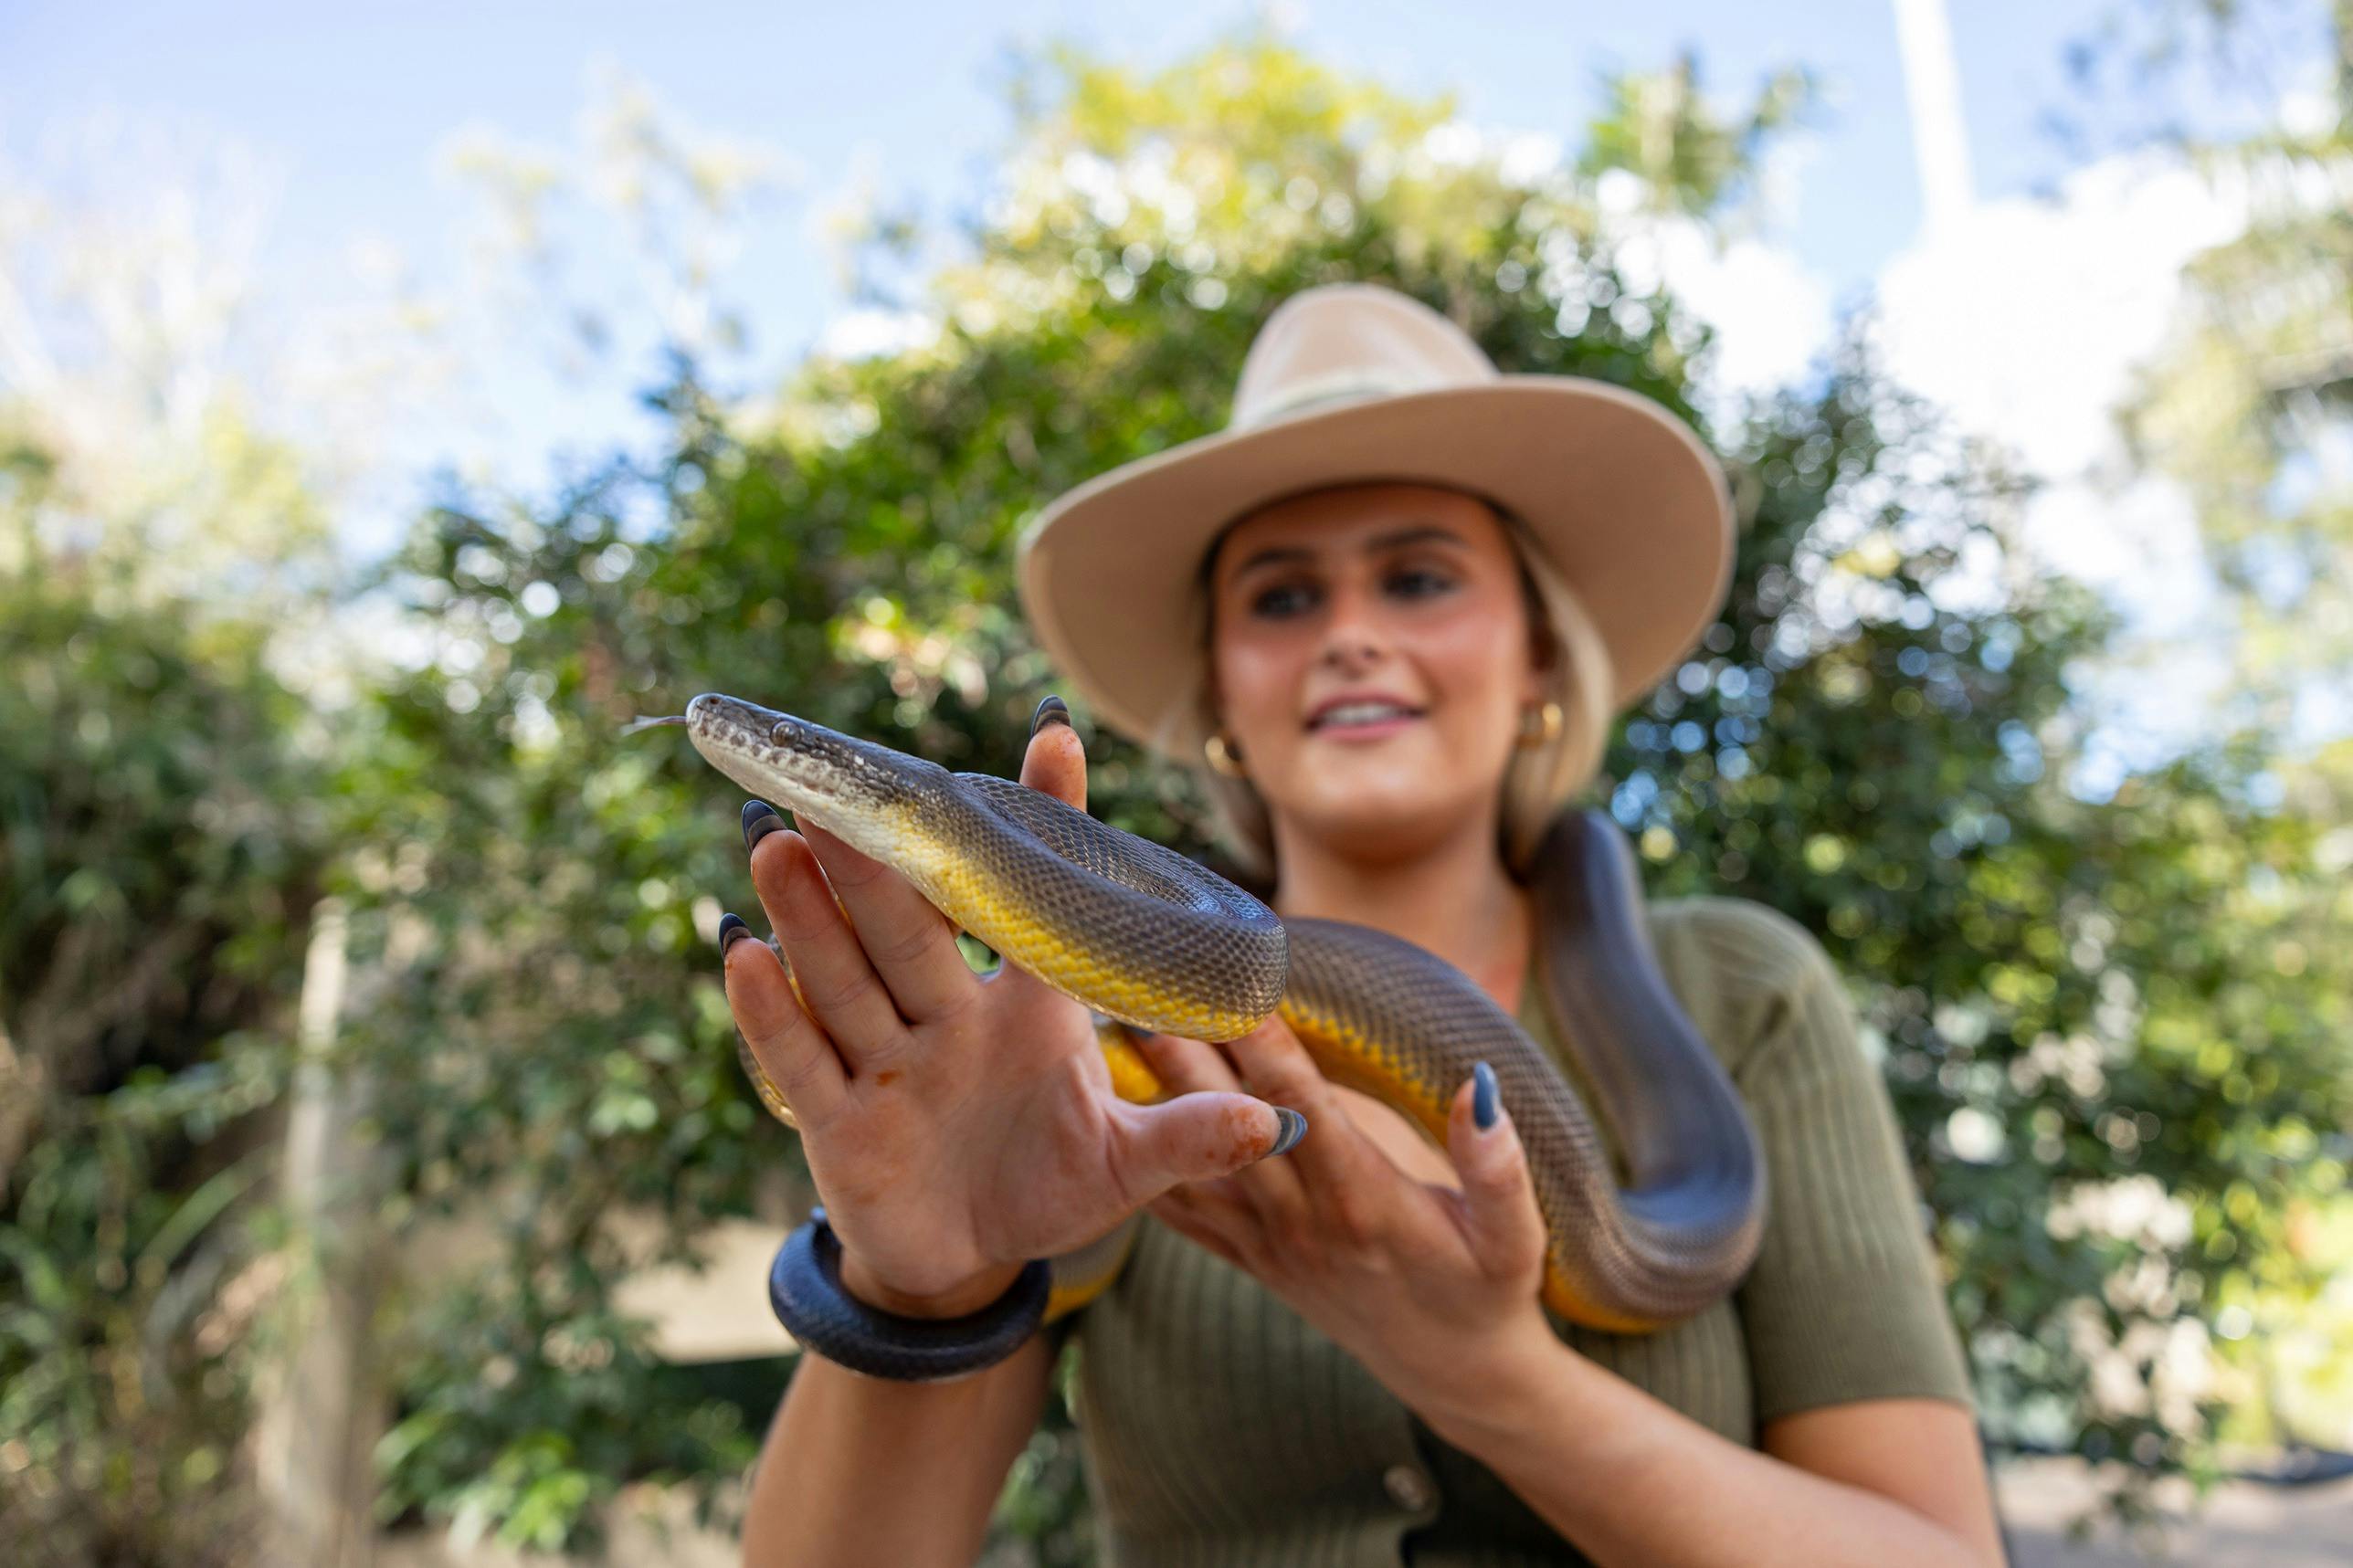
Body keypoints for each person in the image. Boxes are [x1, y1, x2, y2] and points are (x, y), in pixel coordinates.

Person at [720, 283, 2004, 1567]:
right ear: (1220, 686)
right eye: (1282, 599)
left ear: (1541, 659)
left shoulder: (1736, 991)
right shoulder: (1072, 1022)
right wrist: (920, 1277)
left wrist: (1486, 1374)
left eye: (1419, 577)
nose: (1349, 636)